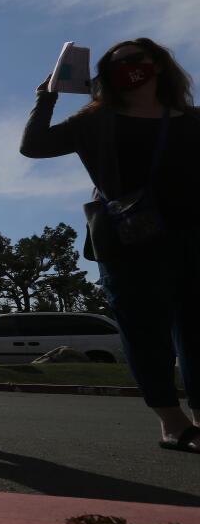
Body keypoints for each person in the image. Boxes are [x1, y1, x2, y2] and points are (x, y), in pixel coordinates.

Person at [20, 38, 199, 454]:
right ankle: (172, 424)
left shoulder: (192, 120)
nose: (127, 69)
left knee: (195, 333)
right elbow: (34, 146)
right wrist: (45, 98)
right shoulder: (96, 122)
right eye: (115, 65)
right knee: (145, 335)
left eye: (135, 60)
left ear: (157, 64)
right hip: (131, 241)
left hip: (192, 238)